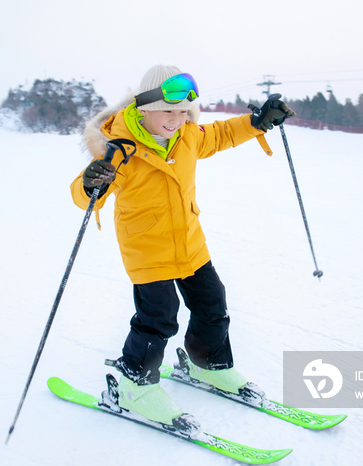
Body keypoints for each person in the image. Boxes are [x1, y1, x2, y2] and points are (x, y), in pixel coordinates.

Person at [70, 65, 295, 426]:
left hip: (190, 242)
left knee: (212, 302)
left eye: (182, 111)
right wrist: (90, 181)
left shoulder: (188, 135)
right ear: (144, 109)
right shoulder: (120, 150)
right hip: (147, 249)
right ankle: (132, 382)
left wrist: (257, 121)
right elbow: (87, 199)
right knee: (158, 317)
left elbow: (221, 133)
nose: (176, 120)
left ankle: (207, 363)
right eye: (167, 111)